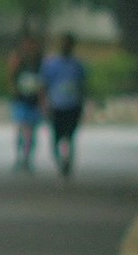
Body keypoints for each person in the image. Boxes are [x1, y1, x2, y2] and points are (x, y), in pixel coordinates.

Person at [42, 32, 89, 177]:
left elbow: (82, 86)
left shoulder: (77, 65)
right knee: (56, 137)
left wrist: (82, 103)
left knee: (70, 136)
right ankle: (59, 160)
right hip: (57, 105)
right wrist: (44, 103)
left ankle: (67, 161)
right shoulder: (51, 65)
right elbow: (44, 85)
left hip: (73, 105)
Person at [7, 32, 46, 171]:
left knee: (31, 131)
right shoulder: (19, 60)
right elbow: (11, 77)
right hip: (21, 100)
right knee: (21, 128)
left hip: (34, 101)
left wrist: (43, 100)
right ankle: (19, 156)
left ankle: (28, 158)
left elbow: (44, 82)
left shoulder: (40, 62)